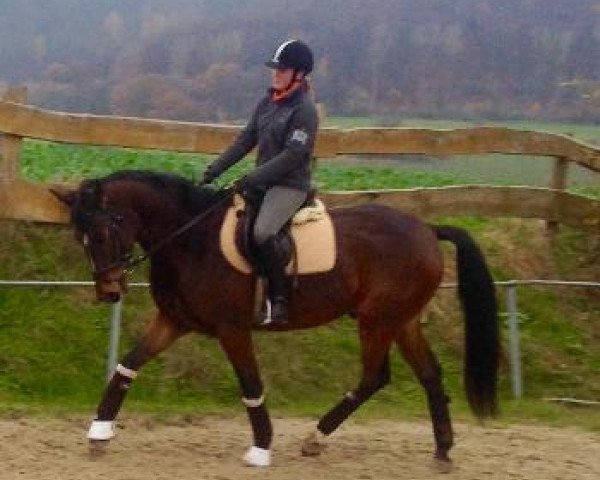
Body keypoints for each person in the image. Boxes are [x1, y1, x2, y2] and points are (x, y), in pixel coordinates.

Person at [200, 39, 319, 326]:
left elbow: (292, 156)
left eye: (282, 69)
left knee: (263, 232)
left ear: (299, 74)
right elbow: (245, 140)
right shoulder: (268, 103)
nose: (275, 74)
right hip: (262, 183)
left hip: (289, 185)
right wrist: (213, 171)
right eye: (274, 69)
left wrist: (251, 178)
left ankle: (278, 300)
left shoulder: (304, 111)